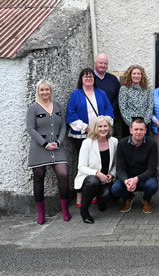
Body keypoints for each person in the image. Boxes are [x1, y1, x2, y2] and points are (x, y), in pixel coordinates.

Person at [66, 68, 115, 207]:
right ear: (81, 79)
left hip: (100, 134)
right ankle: (80, 193)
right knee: (83, 165)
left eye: (91, 77)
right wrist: (87, 128)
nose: (88, 79)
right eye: (85, 77)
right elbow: (71, 114)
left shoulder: (101, 93)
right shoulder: (76, 94)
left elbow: (109, 111)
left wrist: (103, 126)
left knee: (98, 163)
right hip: (82, 135)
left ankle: (94, 192)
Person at [27, 80, 71, 224]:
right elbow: (31, 129)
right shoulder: (33, 108)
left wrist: (59, 141)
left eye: (47, 89)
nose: (45, 92)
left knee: (63, 175)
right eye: (42, 90)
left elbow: (64, 126)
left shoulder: (58, 106)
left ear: (51, 91)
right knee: (39, 177)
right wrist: (45, 144)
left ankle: (65, 209)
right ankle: (41, 213)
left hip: (57, 148)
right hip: (39, 148)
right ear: (38, 91)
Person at [75, 116, 118, 224]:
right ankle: (84, 211)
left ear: (109, 127)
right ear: (95, 128)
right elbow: (81, 167)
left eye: (105, 126)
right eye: (100, 126)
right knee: (93, 182)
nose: (103, 129)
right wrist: (97, 174)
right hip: (90, 177)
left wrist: (111, 175)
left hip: (106, 178)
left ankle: (100, 199)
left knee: (108, 194)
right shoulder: (87, 143)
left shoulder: (114, 142)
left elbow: (116, 164)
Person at [111, 118, 158, 214]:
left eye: (141, 129)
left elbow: (152, 169)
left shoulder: (152, 144)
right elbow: (120, 168)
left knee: (152, 186)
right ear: (130, 130)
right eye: (136, 129)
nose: (138, 132)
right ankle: (128, 197)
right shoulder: (122, 144)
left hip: (145, 177)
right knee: (115, 189)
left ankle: (146, 199)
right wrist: (126, 180)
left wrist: (136, 179)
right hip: (128, 177)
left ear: (145, 131)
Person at [118, 65, 153, 134]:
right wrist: (132, 124)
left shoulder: (147, 89)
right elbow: (123, 108)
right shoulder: (124, 89)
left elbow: (150, 106)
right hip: (129, 123)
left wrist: (144, 123)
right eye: (134, 73)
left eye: (138, 74)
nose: (136, 76)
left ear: (142, 75)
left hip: (144, 122)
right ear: (130, 75)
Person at [94, 54, 121, 124]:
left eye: (105, 63)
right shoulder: (89, 78)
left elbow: (118, 96)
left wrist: (110, 111)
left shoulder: (113, 79)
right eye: (100, 63)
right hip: (93, 117)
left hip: (110, 117)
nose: (103, 65)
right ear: (95, 64)